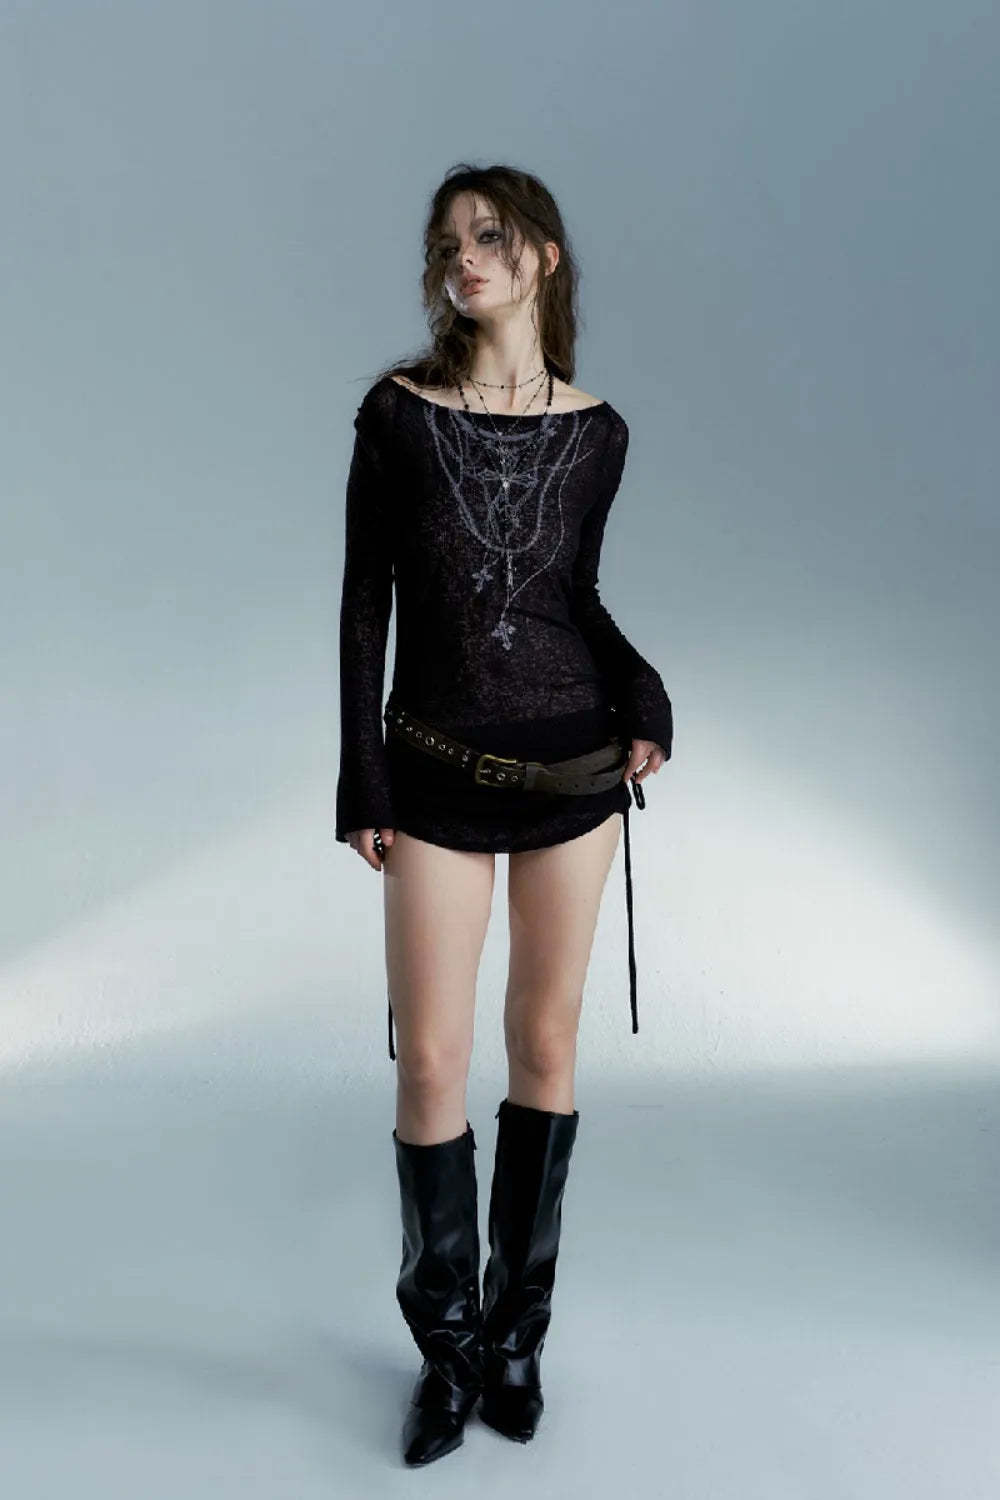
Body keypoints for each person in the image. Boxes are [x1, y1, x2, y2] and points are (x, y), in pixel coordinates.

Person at [335, 163, 673, 1467]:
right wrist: (361, 776)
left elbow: (571, 597)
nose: (462, 259)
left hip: (577, 774)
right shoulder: (398, 414)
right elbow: (366, 603)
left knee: (543, 1041)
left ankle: (517, 1338)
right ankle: (448, 1350)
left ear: (542, 256)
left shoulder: (600, 432)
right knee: (430, 1060)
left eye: (488, 237)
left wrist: (640, 687)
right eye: (447, 245)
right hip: (429, 766)